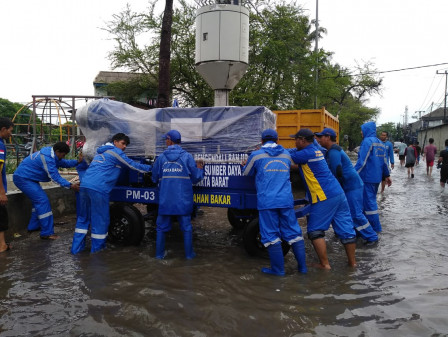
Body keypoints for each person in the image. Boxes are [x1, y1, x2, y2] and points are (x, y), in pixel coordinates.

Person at [71, 133, 151, 254]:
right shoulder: (115, 152)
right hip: (99, 188)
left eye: (126, 145)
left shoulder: (100, 152)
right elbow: (132, 165)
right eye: (123, 143)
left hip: (84, 186)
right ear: (115, 141)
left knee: (83, 219)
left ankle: (76, 250)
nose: (124, 147)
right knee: (100, 220)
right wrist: (153, 168)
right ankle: (97, 253)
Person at [242, 129, 307, 276]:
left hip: (268, 201)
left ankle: (278, 270)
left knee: (270, 235)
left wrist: (244, 164)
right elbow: (291, 166)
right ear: (277, 140)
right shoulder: (285, 154)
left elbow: (246, 173)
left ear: (261, 141)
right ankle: (302, 269)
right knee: (294, 233)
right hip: (285, 200)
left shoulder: (256, 155)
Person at [290, 128, 357, 270]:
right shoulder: (316, 149)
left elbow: (286, 156)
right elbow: (296, 159)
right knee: (346, 230)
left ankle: (324, 265)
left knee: (314, 230)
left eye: (295, 139)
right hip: (338, 193)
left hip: (324, 195)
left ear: (302, 140)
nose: (294, 142)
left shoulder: (306, 153)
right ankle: (352, 264)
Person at [315, 128, 378, 244]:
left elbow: (337, 171)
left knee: (356, 214)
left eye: (321, 137)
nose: (318, 140)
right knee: (352, 213)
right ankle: (358, 234)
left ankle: (372, 237)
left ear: (328, 137)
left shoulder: (334, 151)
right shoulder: (331, 150)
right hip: (351, 185)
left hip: (352, 186)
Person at [151, 130, 204, 259]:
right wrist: (200, 168)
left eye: (166, 139)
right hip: (183, 200)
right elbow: (196, 178)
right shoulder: (187, 157)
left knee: (161, 228)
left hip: (165, 200)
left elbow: (154, 178)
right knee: (186, 228)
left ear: (169, 140)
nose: (165, 141)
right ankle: (189, 256)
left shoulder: (161, 157)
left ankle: (159, 256)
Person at [13, 142, 81, 240]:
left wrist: (77, 162)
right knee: (42, 201)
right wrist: (70, 185)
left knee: (38, 202)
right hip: (24, 178)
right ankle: (47, 233)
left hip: (28, 178)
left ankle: (33, 226)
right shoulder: (48, 158)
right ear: (57, 151)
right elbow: (55, 177)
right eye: (63, 154)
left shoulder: (51, 154)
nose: (63, 156)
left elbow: (64, 163)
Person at [355, 122, 392, 233]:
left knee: (369, 204)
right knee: (370, 202)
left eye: (362, 130)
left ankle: (375, 229)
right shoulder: (380, 143)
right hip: (376, 179)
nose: (361, 132)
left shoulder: (367, 142)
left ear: (366, 130)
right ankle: (369, 228)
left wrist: (352, 174)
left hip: (367, 178)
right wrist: (387, 175)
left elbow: (362, 162)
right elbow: (385, 162)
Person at [0, 117, 14, 253]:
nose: (10, 134)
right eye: (10, 131)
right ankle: (2, 245)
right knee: (1, 217)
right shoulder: (0, 145)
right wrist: (2, 192)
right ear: (3, 129)